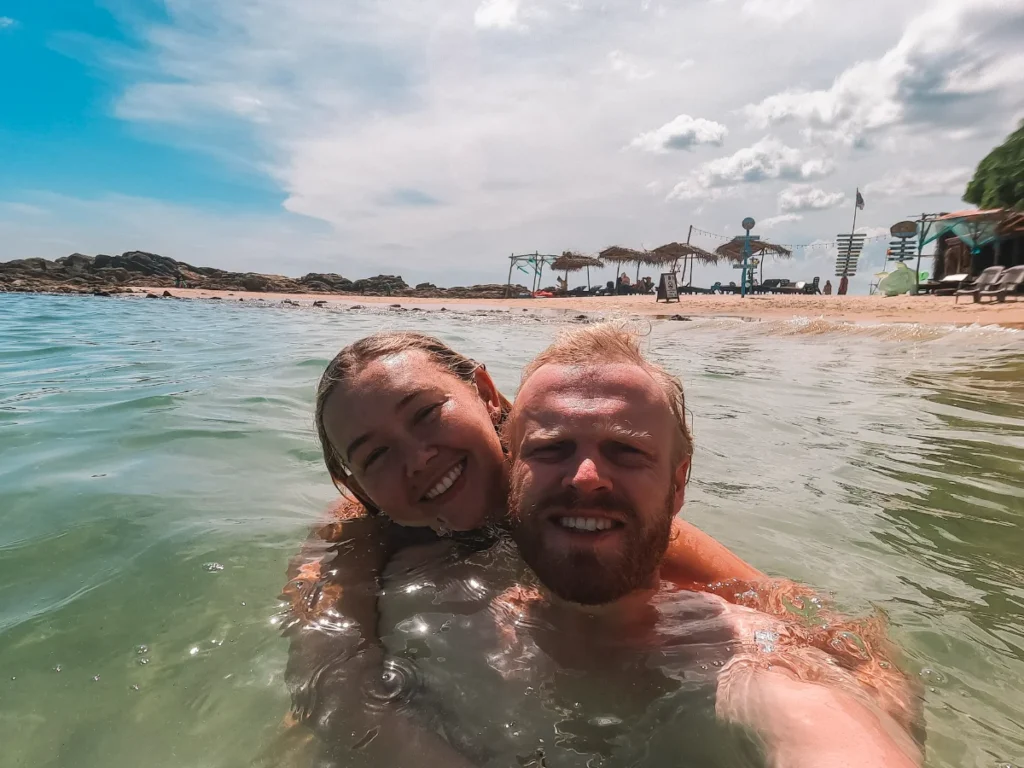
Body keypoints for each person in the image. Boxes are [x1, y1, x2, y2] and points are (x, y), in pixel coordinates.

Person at [347, 325, 921, 767]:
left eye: (627, 451)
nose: (586, 477)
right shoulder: (393, 573)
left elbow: (794, 657)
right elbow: (336, 673)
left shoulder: (742, 659)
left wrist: (872, 688)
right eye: (551, 450)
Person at [278, 331, 763, 762]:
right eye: (376, 455)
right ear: (355, 485)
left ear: (487, 394)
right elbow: (329, 675)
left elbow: (761, 594)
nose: (418, 459)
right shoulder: (362, 534)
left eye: (426, 413)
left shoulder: (566, 490)